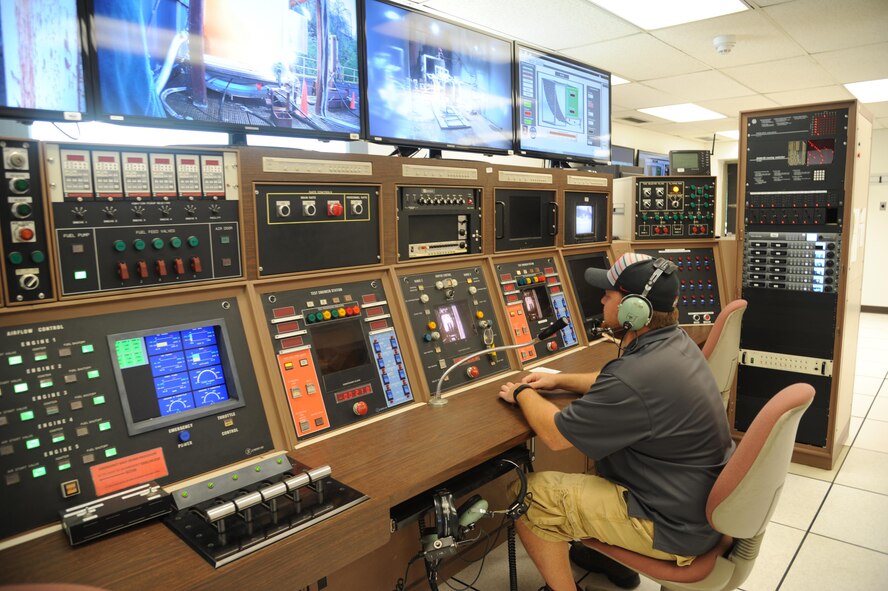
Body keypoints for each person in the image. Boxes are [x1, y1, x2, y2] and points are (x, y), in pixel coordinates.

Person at [498, 252, 734, 591]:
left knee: (528, 495)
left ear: (634, 311)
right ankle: (613, 563)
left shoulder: (635, 375)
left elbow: (554, 435)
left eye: (609, 295)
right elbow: (615, 383)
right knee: (592, 472)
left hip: (669, 525)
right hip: (692, 505)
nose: (601, 300)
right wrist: (559, 380)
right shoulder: (676, 344)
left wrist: (522, 392)